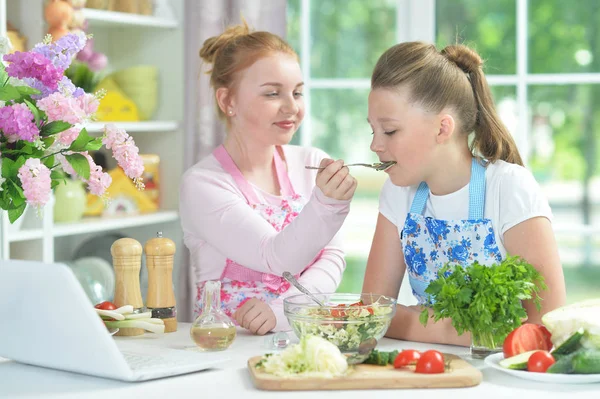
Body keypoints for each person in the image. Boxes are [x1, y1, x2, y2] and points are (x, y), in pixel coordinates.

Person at [362, 41, 566, 346]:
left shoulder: (509, 189)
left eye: (389, 131)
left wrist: (414, 320)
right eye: (372, 130)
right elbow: (371, 314)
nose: (375, 146)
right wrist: (474, 330)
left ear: (443, 128)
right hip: (428, 371)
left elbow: (547, 326)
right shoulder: (397, 193)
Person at [180, 22, 357, 336]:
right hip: (226, 343)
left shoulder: (311, 163)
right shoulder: (203, 184)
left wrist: (282, 313)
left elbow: (332, 256)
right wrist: (328, 204)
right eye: (273, 93)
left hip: (301, 334)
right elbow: (275, 257)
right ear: (227, 102)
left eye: (297, 92)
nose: (292, 107)